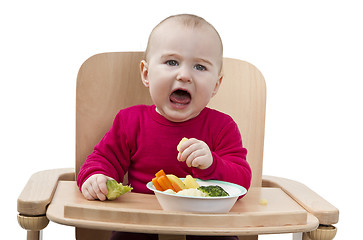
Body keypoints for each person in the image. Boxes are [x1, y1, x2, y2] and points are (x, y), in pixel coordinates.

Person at [77, 14, 251, 240]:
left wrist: (212, 164)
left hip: (206, 220)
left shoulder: (222, 127)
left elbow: (242, 181)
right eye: (172, 62)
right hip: (141, 222)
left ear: (216, 85)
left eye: (199, 66)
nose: (184, 75)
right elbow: (103, 159)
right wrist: (97, 177)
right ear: (146, 74)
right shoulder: (130, 121)